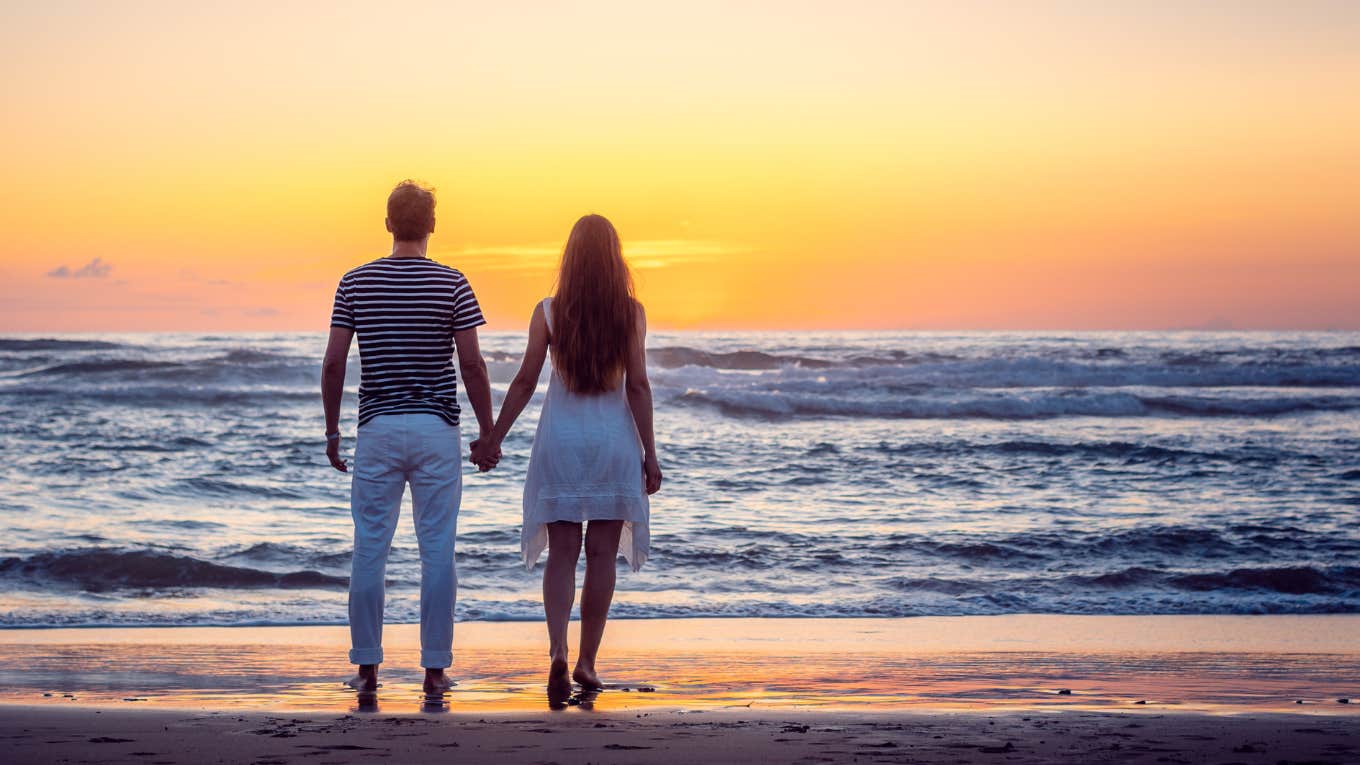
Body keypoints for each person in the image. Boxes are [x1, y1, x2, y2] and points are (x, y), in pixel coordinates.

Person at [472, 213, 662, 700]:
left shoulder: (549, 311)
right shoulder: (631, 313)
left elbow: (524, 381)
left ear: (571, 260)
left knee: (562, 554)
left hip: (560, 444)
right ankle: (587, 662)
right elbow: (638, 386)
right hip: (612, 446)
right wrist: (651, 455)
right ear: (615, 260)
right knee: (601, 556)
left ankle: (557, 651)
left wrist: (494, 436)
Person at [321, 180, 494, 696]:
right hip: (436, 428)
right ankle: (435, 670)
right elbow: (473, 364)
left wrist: (332, 429)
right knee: (437, 549)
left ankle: (368, 668)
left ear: (388, 223)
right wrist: (488, 431)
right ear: (433, 225)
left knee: (370, 548)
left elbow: (333, 363)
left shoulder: (355, 283)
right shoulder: (453, 284)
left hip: (376, 427)